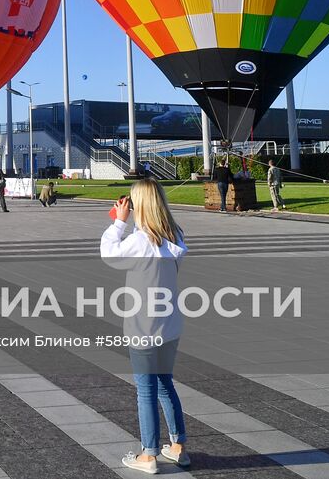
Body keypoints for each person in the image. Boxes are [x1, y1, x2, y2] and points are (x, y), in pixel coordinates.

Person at [101, 180, 190, 474]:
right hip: (170, 325)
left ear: (139, 205)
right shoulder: (175, 235)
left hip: (143, 326)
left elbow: (109, 254)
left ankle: (148, 454)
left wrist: (119, 223)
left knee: (146, 390)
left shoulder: (139, 241)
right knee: (165, 384)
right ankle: (178, 448)